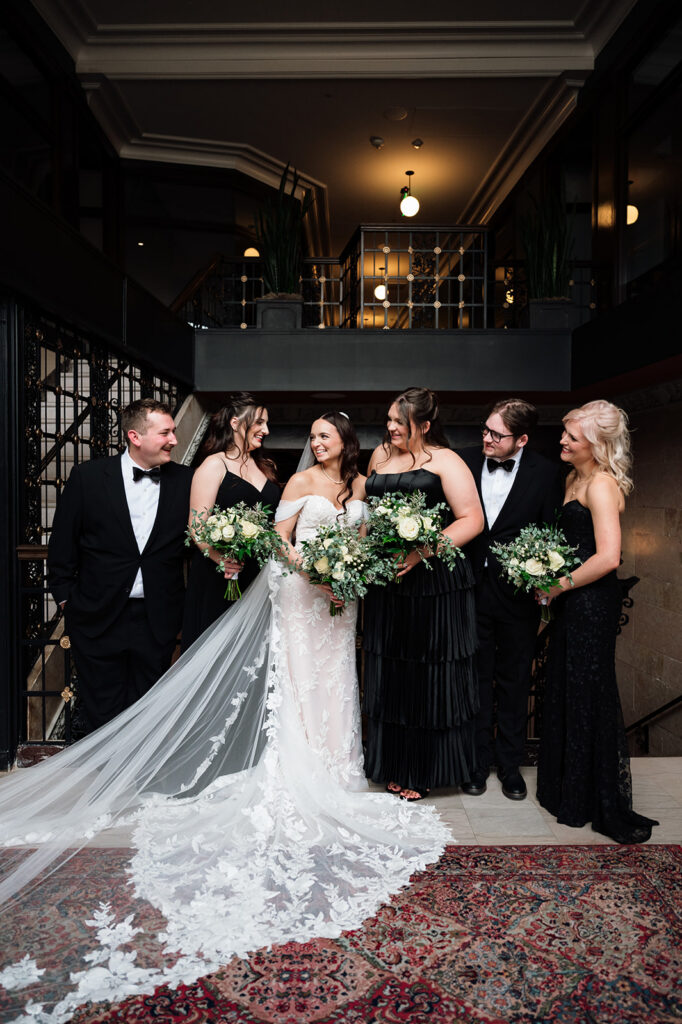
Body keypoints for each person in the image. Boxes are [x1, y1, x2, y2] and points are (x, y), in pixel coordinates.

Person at [0, 412, 450, 1021]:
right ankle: (141, 780)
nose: (311, 443)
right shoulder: (281, 482)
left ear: (346, 443)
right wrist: (316, 571)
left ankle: (335, 764)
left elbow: (366, 539)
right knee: (280, 685)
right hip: (297, 595)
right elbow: (278, 541)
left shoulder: (357, 485)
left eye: (323, 436)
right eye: (307, 435)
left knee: (335, 686)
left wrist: (354, 573)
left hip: (340, 607)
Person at [536, 400, 658, 844]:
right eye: (565, 433)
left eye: (572, 435)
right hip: (573, 599)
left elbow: (608, 557)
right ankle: (570, 789)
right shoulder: (574, 477)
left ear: (597, 443)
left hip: (592, 603)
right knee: (568, 687)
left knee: (590, 690)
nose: (563, 440)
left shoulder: (602, 484)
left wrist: (556, 586)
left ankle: (593, 797)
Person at [363, 386, 484, 802]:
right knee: (391, 673)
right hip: (387, 583)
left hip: (433, 585)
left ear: (425, 425)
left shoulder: (447, 461)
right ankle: (392, 764)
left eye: (400, 421)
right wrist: (361, 555)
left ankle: (422, 769)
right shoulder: (379, 456)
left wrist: (420, 553)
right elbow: (369, 516)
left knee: (427, 675)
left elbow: (472, 520)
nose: (391, 427)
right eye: (390, 420)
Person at [47, 398, 192, 731]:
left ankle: (139, 779)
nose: (174, 440)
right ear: (135, 436)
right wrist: (67, 599)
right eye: (166, 432)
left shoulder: (187, 480)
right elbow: (62, 545)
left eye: (174, 431)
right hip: (97, 614)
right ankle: (108, 781)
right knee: (102, 706)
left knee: (149, 706)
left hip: (158, 616)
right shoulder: (88, 477)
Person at [457, 398, 562, 801]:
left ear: (521, 439)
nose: (486, 438)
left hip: (517, 595)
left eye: (496, 434)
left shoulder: (547, 473)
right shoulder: (463, 461)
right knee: (475, 679)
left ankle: (510, 766)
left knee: (516, 680)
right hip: (468, 588)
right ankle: (476, 764)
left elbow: (551, 532)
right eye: (484, 430)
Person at [181, 393, 280, 651]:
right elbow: (197, 526)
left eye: (266, 423)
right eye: (258, 422)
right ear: (235, 423)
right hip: (221, 576)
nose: (265, 430)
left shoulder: (265, 466)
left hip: (258, 575)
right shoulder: (214, 465)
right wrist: (221, 559)